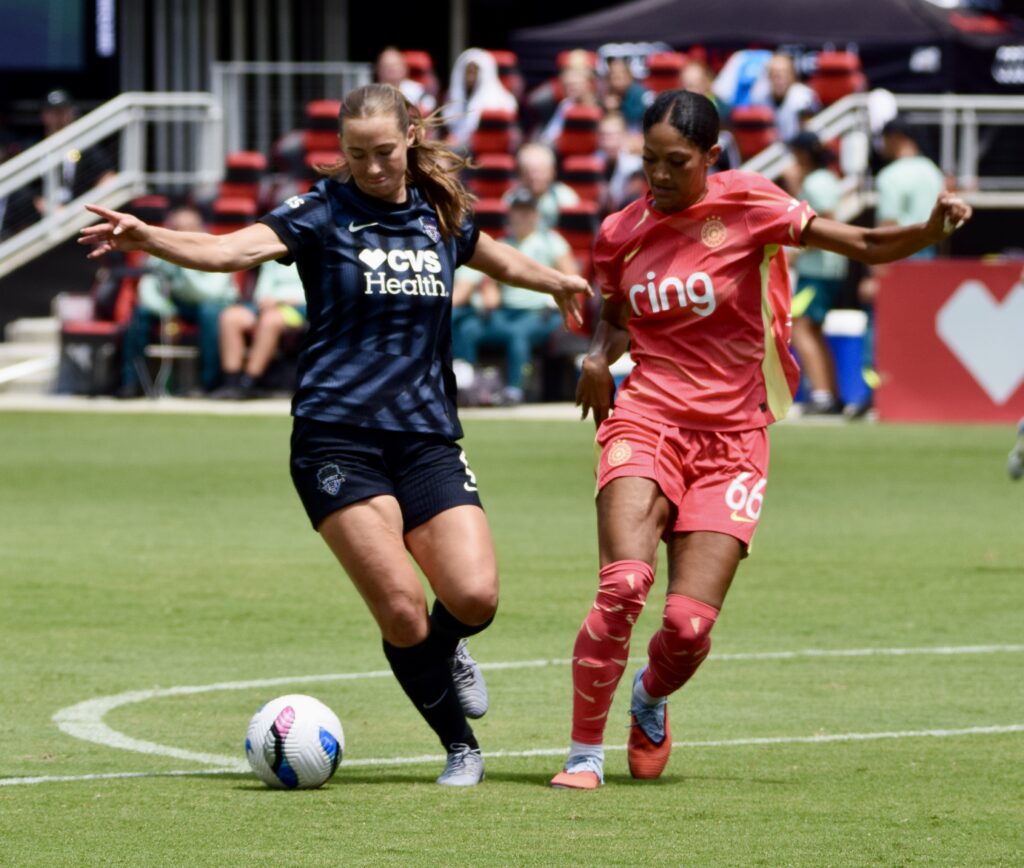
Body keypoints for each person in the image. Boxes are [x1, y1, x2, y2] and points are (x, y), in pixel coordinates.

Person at [81, 83, 589, 787]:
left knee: (474, 597)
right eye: (357, 154)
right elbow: (229, 252)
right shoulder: (321, 212)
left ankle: (447, 650)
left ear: (411, 136)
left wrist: (556, 279)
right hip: (337, 440)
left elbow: (495, 256)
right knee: (403, 608)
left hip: (426, 438)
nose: (372, 167)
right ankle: (460, 746)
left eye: (384, 152)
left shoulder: (438, 213)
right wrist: (150, 237)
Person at [550, 89, 971, 789]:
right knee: (623, 584)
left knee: (687, 627)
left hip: (734, 438)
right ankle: (582, 755)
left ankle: (649, 697)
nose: (658, 175)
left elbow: (864, 244)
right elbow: (617, 320)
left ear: (711, 155)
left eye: (676, 162)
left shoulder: (751, 204)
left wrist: (929, 230)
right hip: (647, 418)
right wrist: (597, 358)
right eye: (649, 160)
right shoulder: (620, 231)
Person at [451, 188, 579, 405]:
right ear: (509, 214)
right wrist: (489, 295)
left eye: (527, 211)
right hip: (506, 312)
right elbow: (491, 283)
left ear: (536, 214)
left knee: (518, 335)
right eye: (518, 211)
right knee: (468, 328)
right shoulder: (502, 243)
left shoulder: (552, 242)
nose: (522, 216)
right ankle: (467, 383)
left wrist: (554, 295)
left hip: (541, 313)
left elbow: (571, 277)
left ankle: (515, 389)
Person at [117, 206, 237, 398]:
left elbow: (210, 294)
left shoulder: (217, 250)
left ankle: (208, 384)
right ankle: (131, 383)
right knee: (140, 313)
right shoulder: (161, 253)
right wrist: (167, 311)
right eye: (178, 228)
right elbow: (147, 291)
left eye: (190, 227)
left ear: (201, 228)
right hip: (176, 305)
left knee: (209, 312)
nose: (184, 233)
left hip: (212, 304)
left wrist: (184, 261)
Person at [784, 131, 849, 414]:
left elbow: (826, 223)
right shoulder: (825, 179)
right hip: (827, 269)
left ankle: (822, 395)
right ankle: (831, 394)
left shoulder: (815, 182)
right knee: (814, 330)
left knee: (800, 327)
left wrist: (796, 252)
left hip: (818, 271)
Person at [212, 259, 307, 400]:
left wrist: (279, 301)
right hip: (265, 306)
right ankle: (231, 383)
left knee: (270, 320)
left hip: (299, 306)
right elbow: (263, 288)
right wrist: (264, 301)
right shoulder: (276, 253)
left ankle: (248, 383)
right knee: (230, 317)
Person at [443, 48, 517, 150]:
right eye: (468, 72)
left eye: (474, 72)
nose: (470, 78)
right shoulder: (453, 98)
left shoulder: (503, 101)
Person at [504, 142, 579, 232]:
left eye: (540, 172)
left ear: (552, 172)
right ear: (520, 174)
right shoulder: (511, 199)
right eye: (529, 172)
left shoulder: (566, 198)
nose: (534, 177)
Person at [749, 53, 820, 142]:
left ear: (792, 76)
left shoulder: (803, 96)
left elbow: (810, 133)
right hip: (771, 147)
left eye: (783, 75)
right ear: (768, 77)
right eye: (775, 75)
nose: (779, 80)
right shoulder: (760, 97)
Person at [375, 46, 436, 115]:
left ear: (405, 68)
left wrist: (415, 112)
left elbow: (430, 103)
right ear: (378, 69)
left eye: (395, 65)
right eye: (386, 66)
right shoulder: (370, 93)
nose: (391, 70)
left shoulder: (417, 91)